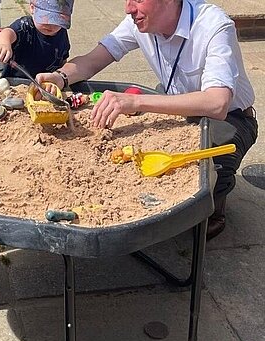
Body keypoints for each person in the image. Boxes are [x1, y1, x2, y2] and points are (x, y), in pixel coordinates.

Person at [37, 0, 258, 240]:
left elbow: (217, 103)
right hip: (177, 104)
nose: (129, 8)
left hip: (231, 118)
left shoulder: (213, 25)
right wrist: (59, 77)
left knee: (207, 168)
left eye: (139, 0)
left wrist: (136, 102)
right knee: (140, 154)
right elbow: (93, 60)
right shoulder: (138, 20)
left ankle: (216, 206)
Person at [0, 0, 74, 78]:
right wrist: (3, 43)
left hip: (47, 84)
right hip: (16, 82)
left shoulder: (62, 32)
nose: (51, 25)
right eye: (45, 18)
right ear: (32, 8)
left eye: (57, 21)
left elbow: (63, 58)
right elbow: (8, 32)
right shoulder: (25, 26)